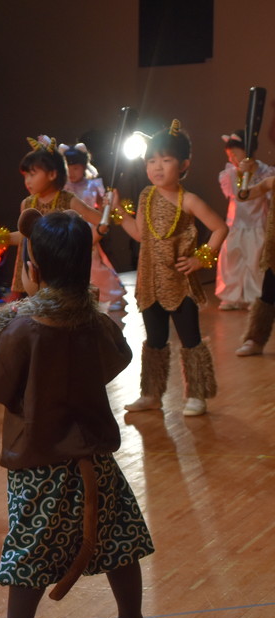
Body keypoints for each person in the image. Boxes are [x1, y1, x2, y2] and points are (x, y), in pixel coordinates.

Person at [0, 209, 154, 618]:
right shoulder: (94, 322)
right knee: (117, 538)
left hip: (38, 460)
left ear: (34, 270)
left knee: (30, 544)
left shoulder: (24, 328)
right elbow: (119, 356)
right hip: (94, 457)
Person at [110, 120, 228, 416]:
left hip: (179, 284)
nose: (157, 167)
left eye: (166, 160)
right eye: (151, 160)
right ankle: (151, 394)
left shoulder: (189, 200)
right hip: (150, 282)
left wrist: (200, 259)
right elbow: (140, 234)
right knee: (155, 341)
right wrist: (117, 210)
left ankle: (197, 395)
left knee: (190, 340)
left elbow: (220, 228)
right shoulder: (145, 196)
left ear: (184, 164)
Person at [0, 136, 106, 299]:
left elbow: (100, 221)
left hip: (59, 273)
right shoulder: (27, 203)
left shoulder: (68, 200)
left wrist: (84, 243)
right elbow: (25, 236)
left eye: (32, 174)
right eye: (25, 176)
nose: (27, 181)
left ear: (52, 174)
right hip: (32, 273)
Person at [60, 142, 127, 311]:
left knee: (93, 263)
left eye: (76, 168)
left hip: (90, 230)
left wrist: (107, 207)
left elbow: (101, 209)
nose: (72, 172)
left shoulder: (93, 185)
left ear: (84, 167)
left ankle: (106, 296)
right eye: (69, 168)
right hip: (69, 230)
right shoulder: (63, 188)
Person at [216, 131, 275, 311]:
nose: (232, 158)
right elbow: (237, 195)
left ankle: (256, 297)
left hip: (257, 223)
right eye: (229, 155)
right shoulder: (230, 174)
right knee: (232, 262)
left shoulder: (265, 172)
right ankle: (231, 296)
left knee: (255, 262)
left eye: (235, 153)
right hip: (235, 224)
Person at [235, 165, 275, 355]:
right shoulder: (272, 181)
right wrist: (245, 174)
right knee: (268, 293)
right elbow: (243, 196)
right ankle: (255, 340)